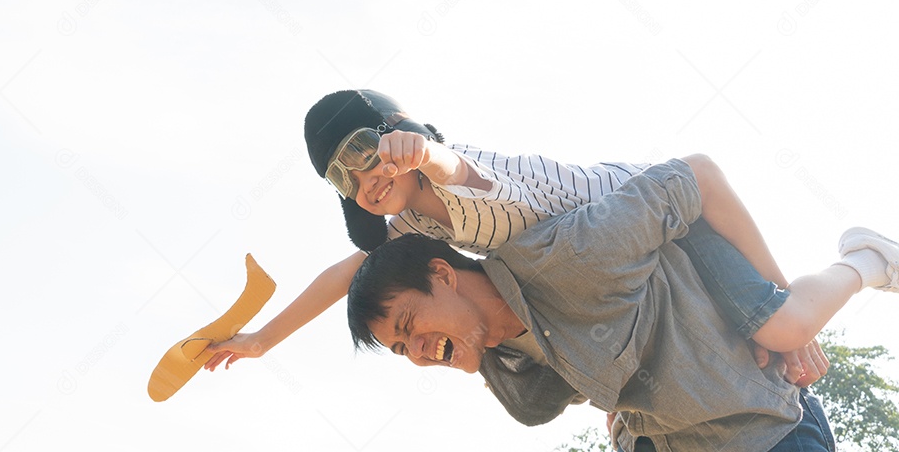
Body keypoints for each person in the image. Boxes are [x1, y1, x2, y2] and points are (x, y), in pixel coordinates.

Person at [205, 90, 831, 383]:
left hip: (675, 204)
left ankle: (861, 261)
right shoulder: (412, 226)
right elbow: (347, 275)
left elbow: (455, 169)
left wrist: (420, 150)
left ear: (394, 134)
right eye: (343, 177)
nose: (364, 179)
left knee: (782, 330)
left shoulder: (456, 173)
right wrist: (263, 339)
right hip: (631, 263)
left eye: (364, 152)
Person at [346, 160, 899, 450]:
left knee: (785, 325)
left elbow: (697, 175)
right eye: (401, 349)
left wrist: (777, 294)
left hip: (764, 431)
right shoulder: (508, 373)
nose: (415, 352)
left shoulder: (562, 257)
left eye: (409, 324)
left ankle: (865, 260)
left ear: (443, 274)